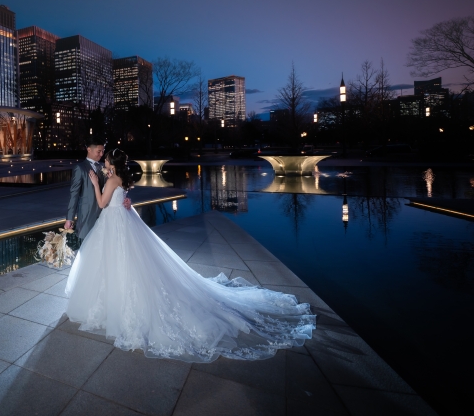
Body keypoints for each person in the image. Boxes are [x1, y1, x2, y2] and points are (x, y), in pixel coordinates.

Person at [65, 148, 315, 363]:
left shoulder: (110, 180)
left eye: (107, 159)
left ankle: (114, 304)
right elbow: (120, 196)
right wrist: (117, 191)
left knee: (116, 264)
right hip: (125, 220)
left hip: (113, 222)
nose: (104, 162)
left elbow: (101, 204)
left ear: (111, 163)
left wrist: (98, 185)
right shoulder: (120, 178)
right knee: (130, 264)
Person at [64, 137, 130, 240]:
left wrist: (124, 199)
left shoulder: (105, 168)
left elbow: (116, 188)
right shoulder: (80, 168)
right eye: (99, 151)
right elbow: (74, 195)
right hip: (88, 216)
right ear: (89, 149)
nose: (101, 154)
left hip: (106, 217)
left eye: (103, 151)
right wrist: (69, 218)